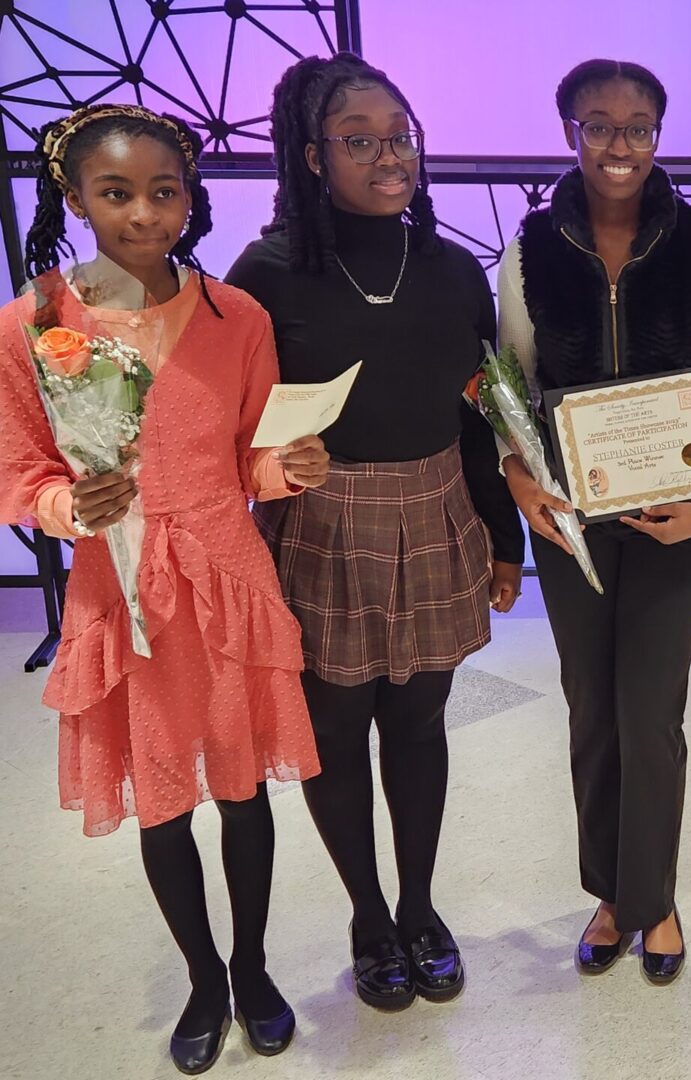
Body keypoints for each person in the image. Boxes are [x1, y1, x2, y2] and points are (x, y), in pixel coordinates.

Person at [0, 103, 330, 1073]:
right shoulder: (37, 325)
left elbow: (249, 461)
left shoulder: (239, 318)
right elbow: (19, 471)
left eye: (165, 190)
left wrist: (291, 469)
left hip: (226, 576)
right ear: (74, 198)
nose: (145, 213)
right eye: (116, 193)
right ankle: (203, 979)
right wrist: (68, 506)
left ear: (191, 194)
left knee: (242, 790)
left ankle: (256, 966)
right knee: (162, 800)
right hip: (124, 590)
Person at [226, 53, 524, 1011]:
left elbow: (481, 411)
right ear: (313, 156)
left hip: (437, 508)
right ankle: (367, 915)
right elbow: (236, 427)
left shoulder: (446, 267)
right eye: (360, 140)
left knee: (420, 723)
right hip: (322, 522)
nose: (389, 155)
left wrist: (504, 534)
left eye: (400, 135)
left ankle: (421, 905)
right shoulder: (266, 274)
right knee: (336, 732)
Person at [496, 58, 691, 984]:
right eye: (599, 125)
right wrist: (519, 480)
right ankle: (611, 892)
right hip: (568, 518)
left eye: (639, 125)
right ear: (570, 130)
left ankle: (656, 896)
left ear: (660, 134)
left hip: (675, 515)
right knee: (591, 711)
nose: (620, 144)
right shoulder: (526, 252)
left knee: (653, 715)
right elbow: (513, 393)